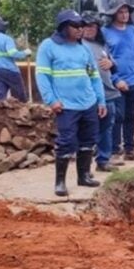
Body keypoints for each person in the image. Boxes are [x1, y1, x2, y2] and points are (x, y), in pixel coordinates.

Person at [36, 10, 107, 197]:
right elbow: (42, 76)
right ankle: (60, 182)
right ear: (63, 27)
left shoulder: (84, 48)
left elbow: (94, 76)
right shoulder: (48, 47)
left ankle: (83, 176)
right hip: (66, 106)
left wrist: (101, 100)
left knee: (88, 140)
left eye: (81, 26)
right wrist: (51, 100)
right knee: (66, 143)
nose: (80, 29)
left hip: (88, 103)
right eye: (75, 26)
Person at [102, 0, 134, 161]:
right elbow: (104, 61)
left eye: (126, 11)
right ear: (113, 14)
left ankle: (130, 149)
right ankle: (115, 151)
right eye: (120, 12)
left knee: (130, 116)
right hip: (117, 83)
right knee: (117, 117)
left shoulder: (133, 31)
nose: (124, 15)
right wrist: (115, 80)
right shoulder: (105, 32)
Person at [81, 12, 124, 172]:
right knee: (88, 130)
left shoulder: (101, 46)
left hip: (108, 93)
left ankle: (103, 160)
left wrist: (111, 63)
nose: (89, 29)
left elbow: (114, 66)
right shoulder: (79, 45)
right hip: (90, 95)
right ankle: (84, 168)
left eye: (93, 26)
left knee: (107, 128)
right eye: (85, 26)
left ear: (97, 28)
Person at [0, 16, 31, 102]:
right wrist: (25, 53)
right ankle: (24, 113)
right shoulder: (7, 39)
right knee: (20, 97)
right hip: (10, 71)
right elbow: (13, 53)